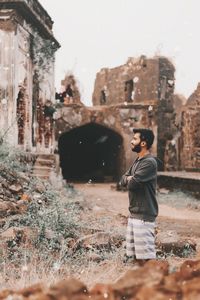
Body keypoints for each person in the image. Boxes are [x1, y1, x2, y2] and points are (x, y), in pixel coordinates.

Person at [120, 128, 158, 265]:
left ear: (143, 143)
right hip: (134, 214)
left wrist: (129, 179)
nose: (131, 141)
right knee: (135, 257)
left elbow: (132, 184)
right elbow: (122, 181)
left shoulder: (149, 162)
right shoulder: (138, 161)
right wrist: (129, 179)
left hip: (144, 217)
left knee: (146, 259)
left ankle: (154, 284)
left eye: (135, 139)